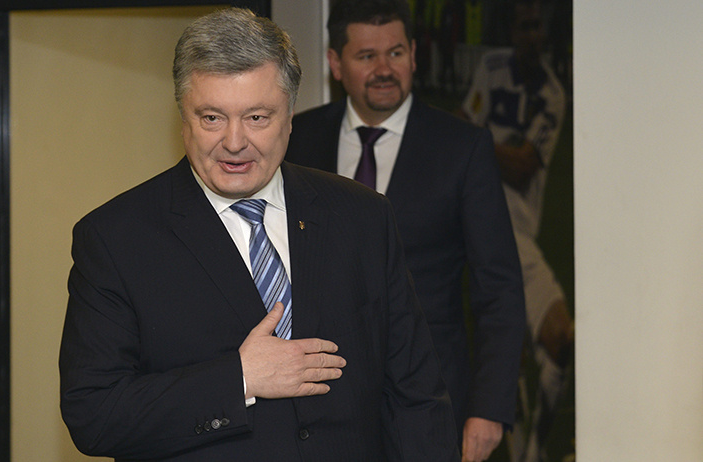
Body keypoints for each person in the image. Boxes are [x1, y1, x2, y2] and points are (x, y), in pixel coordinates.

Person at [59, 7, 459, 462]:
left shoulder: (363, 217)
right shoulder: (116, 238)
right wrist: (240, 379)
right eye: (212, 118)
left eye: (257, 117)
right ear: (182, 117)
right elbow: (95, 416)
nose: (234, 142)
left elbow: (416, 399)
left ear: (290, 116)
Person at [284, 1, 526, 461]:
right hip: (318, 404)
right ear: (336, 63)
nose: (384, 69)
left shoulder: (463, 147)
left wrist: (490, 409)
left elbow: (499, 288)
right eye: (366, 56)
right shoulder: (297, 140)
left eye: (395, 53)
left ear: (414, 55)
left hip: (432, 401)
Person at [459, 1, 572, 461]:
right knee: (559, 336)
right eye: (524, 27)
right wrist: (493, 147)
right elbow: (464, 122)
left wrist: (480, 142)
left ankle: (527, 440)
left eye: (537, 27)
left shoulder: (553, 93)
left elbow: (525, 165)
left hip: (519, 229)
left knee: (527, 345)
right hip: (491, 225)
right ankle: (533, 451)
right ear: (512, 32)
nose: (532, 36)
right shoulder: (492, 67)